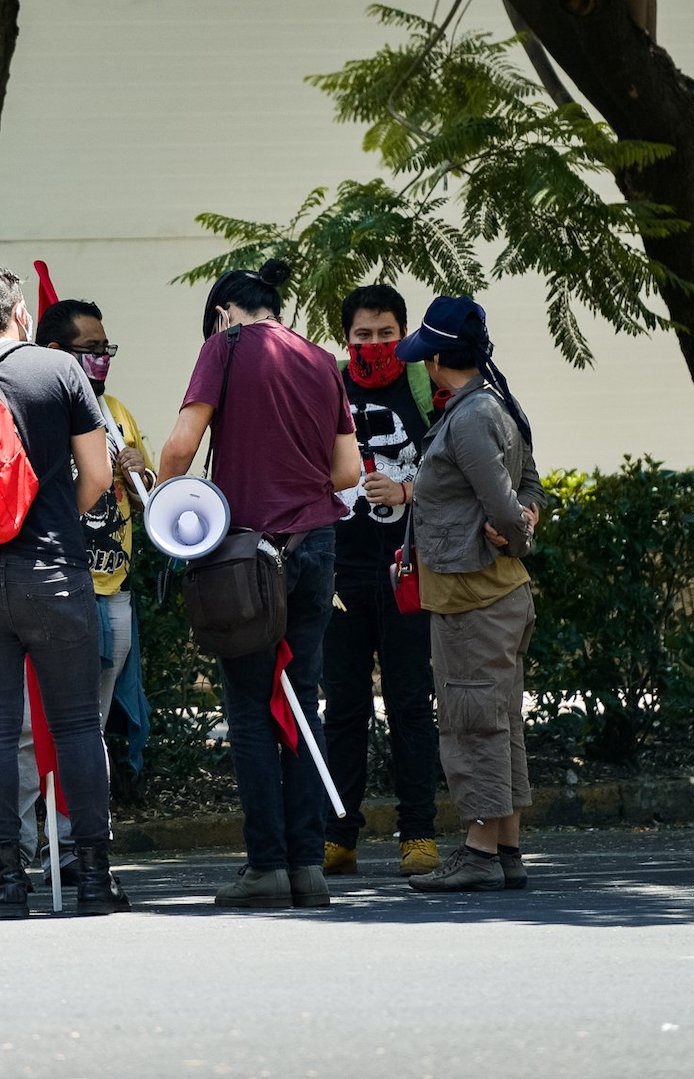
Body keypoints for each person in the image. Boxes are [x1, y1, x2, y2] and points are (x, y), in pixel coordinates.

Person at [0, 259, 129, 918]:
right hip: (52, 570)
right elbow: (97, 473)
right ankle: (94, 879)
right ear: (18, 311)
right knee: (74, 725)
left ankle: (6, 882)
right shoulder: (56, 370)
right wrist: (56, 515)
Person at [157, 258, 359, 909]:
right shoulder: (324, 361)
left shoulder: (226, 346)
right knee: (303, 700)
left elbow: (183, 445)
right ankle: (309, 866)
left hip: (247, 556)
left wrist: (168, 500)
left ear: (222, 311)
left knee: (249, 708)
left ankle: (266, 865)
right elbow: (349, 470)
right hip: (316, 548)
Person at [393, 295, 544, 893]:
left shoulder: (471, 416)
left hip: (473, 597)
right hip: (493, 595)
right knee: (499, 719)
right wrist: (521, 522)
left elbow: (508, 503)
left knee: (471, 721)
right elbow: (531, 488)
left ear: (435, 361)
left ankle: (479, 850)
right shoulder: (495, 404)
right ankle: (505, 848)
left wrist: (514, 535)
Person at [3, 298, 155, 885]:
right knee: (19, 727)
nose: (102, 360)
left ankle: (74, 846)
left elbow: (152, 503)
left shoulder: (114, 411)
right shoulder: (33, 410)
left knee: (83, 727)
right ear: (57, 355)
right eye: (91, 350)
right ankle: (14, 848)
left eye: (105, 349)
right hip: (48, 583)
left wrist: (140, 472)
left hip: (109, 592)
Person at [320, 285, 443, 878]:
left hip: (409, 574)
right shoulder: (325, 390)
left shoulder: (428, 389)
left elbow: (459, 478)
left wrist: (407, 491)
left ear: (403, 334)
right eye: (363, 336)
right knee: (342, 707)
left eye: (386, 334)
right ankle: (338, 833)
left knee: (411, 705)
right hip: (339, 576)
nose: (375, 346)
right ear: (346, 339)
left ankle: (418, 833)